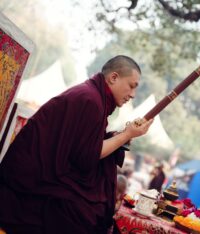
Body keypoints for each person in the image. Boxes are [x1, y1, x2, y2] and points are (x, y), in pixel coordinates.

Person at [0, 55, 153, 233]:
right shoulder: (91, 100)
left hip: (43, 172)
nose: (133, 95)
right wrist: (126, 134)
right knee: (84, 215)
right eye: (131, 86)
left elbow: (83, 144)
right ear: (113, 78)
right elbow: (87, 157)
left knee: (92, 207)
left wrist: (120, 136)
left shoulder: (94, 96)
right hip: (29, 183)